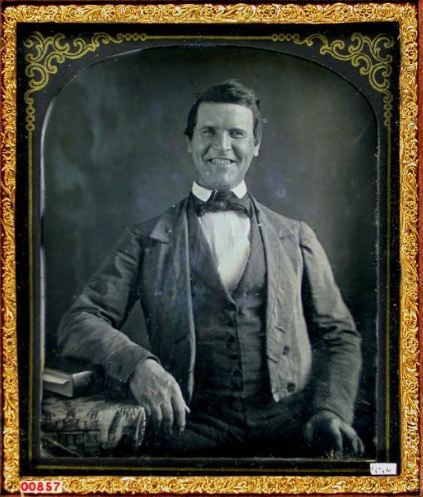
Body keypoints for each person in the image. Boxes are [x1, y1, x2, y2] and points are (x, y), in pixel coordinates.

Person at [58, 79, 363, 458]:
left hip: (291, 428)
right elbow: (79, 320)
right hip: (186, 429)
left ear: (256, 145)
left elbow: (339, 336)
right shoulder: (145, 239)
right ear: (189, 142)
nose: (222, 146)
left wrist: (329, 409)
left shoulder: (295, 237)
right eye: (208, 132)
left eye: (236, 133)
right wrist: (138, 366)